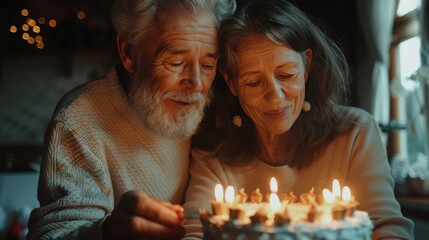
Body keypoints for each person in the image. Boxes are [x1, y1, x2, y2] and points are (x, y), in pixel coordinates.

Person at [182, 0, 414, 239]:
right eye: (253, 82)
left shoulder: (355, 133)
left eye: (286, 75)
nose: (275, 97)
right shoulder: (213, 155)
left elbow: (388, 228)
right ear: (231, 83)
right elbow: (196, 231)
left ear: (306, 65)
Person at [26, 0, 236, 239]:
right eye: (176, 62)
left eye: (208, 64)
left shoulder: (214, 107)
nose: (197, 84)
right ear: (129, 52)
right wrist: (109, 231)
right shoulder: (79, 118)